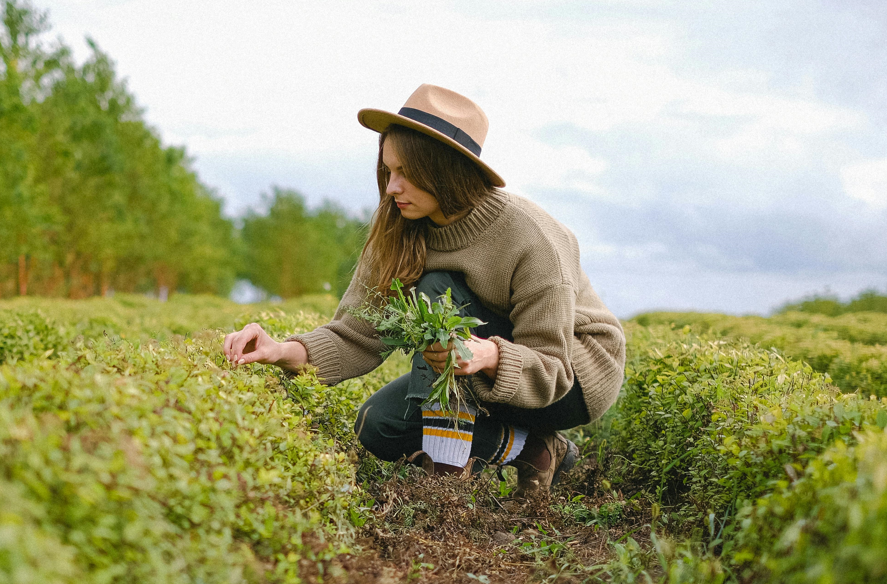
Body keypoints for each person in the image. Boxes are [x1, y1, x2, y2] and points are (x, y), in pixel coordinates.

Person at [221, 84, 626, 495]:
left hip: (572, 377)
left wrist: (488, 354)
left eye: (407, 174)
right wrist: (279, 350)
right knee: (378, 424)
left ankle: (443, 487)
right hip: (487, 368)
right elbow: (357, 333)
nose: (392, 187)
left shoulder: (531, 238)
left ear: (446, 171)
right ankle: (534, 449)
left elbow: (553, 369)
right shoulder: (398, 227)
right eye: (388, 171)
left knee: (436, 288)